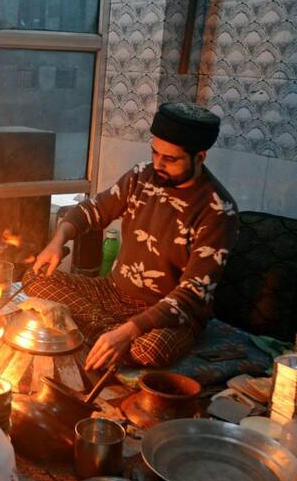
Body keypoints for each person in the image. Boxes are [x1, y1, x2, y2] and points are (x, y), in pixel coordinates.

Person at [26, 102, 239, 371]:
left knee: (148, 350)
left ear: (200, 157)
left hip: (170, 314)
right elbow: (92, 211)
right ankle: (108, 335)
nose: (158, 164)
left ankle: (103, 336)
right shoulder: (141, 176)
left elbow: (191, 295)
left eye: (171, 159)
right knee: (35, 278)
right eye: (155, 153)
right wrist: (58, 241)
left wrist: (131, 332)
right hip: (114, 293)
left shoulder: (218, 211)